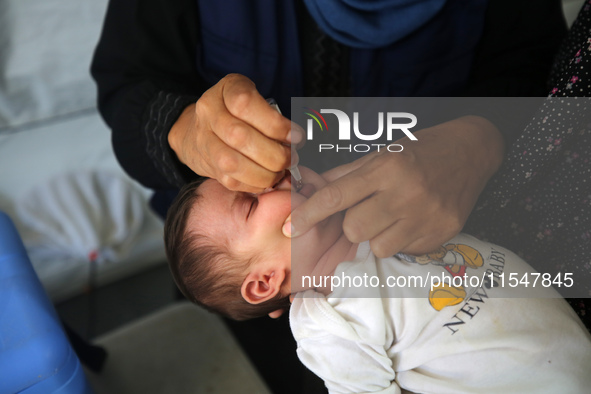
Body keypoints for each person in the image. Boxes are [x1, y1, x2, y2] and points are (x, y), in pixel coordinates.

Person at [164, 166, 591, 393]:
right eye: (251, 202)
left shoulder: (375, 214)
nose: (272, 179)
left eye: (261, 177)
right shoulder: (325, 322)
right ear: (264, 282)